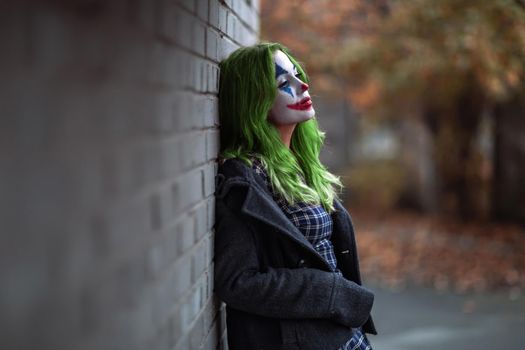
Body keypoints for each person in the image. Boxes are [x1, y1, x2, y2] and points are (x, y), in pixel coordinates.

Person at [214, 42, 377, 350]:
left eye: (297, 75)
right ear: (256, 99)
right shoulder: (247, 178)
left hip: (342, 335)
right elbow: (237, 282)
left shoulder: (300, 164)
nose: (302, 85)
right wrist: (329, 292)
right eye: (284, 82)